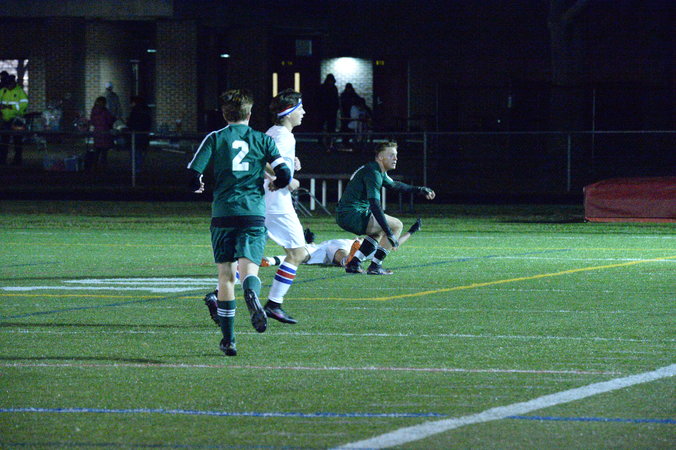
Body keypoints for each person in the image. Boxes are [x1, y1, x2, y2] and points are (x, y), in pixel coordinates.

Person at [188, 88, 291, 357]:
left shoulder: (215, 137)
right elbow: (284, 173)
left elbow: (193, 172)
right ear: (250, 113)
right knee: (249, 270)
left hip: (223, 213)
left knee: (225, 276)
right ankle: (252, 293)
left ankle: (229, 339)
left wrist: (198, 184)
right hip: (253, 212)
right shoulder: (262, 139)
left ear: (225, 114)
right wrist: (277, 182)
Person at [336, 141, 435, 275]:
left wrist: (419, 189)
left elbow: (395, 185)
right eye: (391, 155)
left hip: (347, 215)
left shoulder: (376, 170)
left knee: (378, 231)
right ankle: (375, 266)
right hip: (352, 215)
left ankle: (354, 264)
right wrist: (389, 232)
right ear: (380, 157)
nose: (396, 158)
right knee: (397, 225)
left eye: (396, 155)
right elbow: (375, 205)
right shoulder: (374, 173)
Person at [0, 74, 29, 165]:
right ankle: (2, 160)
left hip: (17, 120)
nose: (8, 87)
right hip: (5, 120)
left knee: (17, 141)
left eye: (9, 85)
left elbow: (24, 105)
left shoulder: (20, 92)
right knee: (4, 142)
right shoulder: (3, 91)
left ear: (14, 83)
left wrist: (10, 107)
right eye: (7, 85)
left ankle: (17, 161)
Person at [87, 96, 116, 171]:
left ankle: (94, 167)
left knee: (97, 151)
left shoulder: (94, 111)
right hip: (104, 132)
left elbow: (92, 121)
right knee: (104, 152)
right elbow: (109, 120)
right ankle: (103, 168)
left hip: (97, 132)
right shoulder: (105, 111)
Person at [127, 95, 152, 174]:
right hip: (143, 134)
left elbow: (130, 123)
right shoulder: (145, 111)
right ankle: (138, 168)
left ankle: (135, 168)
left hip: (136, 133)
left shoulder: (134, 112)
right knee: (139, 152)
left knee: (135, 152)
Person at [318, 74, 339, 151]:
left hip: (324, 109)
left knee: (324, 126)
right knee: (330, 126)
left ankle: (325, 141)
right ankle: (329, 141)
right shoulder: (333, 88)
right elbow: (336, 99)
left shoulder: (323, 87)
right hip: (330, 110)